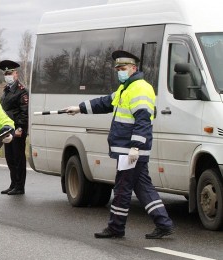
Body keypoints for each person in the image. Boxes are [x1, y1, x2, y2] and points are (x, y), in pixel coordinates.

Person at [64, 50, 174, 239]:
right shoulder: (126, 88)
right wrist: (79, 108)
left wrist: (135, 147)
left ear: (133, 68)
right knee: (142, 187)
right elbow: (106, 102)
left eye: (123, 68)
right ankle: (163, 223)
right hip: (128, 149)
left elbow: (143, 121)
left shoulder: (140, 88)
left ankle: (116, 227)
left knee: (122, 188)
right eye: (118, 69)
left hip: (129, 150)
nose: (119, 72)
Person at [0, 60, 29, 195]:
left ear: (16, 74)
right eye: (6, 73)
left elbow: (24, 112)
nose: (8, 75)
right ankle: (13, 183)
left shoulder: (22, 91)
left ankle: (20, 186)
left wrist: (20, 128)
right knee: (10, 158)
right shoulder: (6, 90)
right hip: (8, 129)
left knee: (18, 158)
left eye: (10, 73)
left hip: (17, 129)